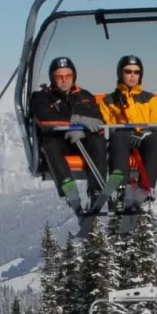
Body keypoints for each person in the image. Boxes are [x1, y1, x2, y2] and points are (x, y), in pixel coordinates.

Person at [28, 55, 112, 212]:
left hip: (82, 140)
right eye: (59, 77)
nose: (64, 80)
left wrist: (82, 129)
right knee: (49, 144)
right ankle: (69, 190)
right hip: (59, 141)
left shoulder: (85, 96)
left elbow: (97, 120)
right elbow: (45, 118)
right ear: (53, 78)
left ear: (73, 76)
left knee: (98, 142)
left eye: (68, 76)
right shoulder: (42, 97)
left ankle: (96, 190)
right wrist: (74, 121)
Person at [98, 54, 157, 213]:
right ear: (120, 73)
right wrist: (122, 130)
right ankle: (123, 190)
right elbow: (105, 125)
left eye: (136, 72)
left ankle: (144, 190)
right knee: (119, 138)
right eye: (128, 72)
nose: (132, 76)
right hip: (121, 137)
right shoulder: (109, 100)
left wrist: (144, 132)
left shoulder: (149, 99)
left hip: (144, 137)